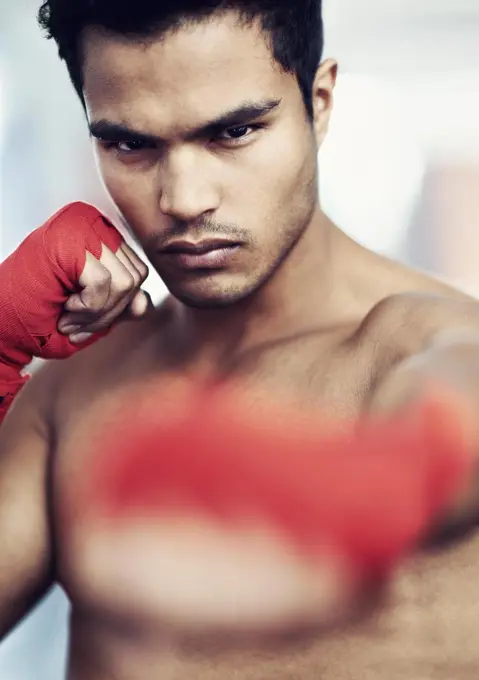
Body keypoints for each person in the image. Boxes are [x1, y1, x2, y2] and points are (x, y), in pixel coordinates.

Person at [2, 1, 479, 678]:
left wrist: (360, 496)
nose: (184, 198)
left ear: (318, 103)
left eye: (233, 132)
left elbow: (449, 429)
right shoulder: (74, 389)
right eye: (131, 144)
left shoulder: (429, 342)